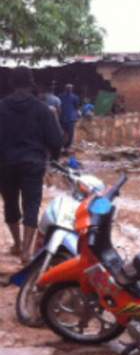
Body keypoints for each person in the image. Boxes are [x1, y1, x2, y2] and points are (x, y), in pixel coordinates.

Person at [0, 67, 63, 263]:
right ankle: (27, 252)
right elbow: (56, 140)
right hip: (33, 164)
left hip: (5, 164)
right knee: (32, 205)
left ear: (12, 83)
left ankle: (17, 244)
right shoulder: (42, 109)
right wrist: (54, 159)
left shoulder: (1, 107)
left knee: (10, 203)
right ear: (31, 83)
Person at [59, 83, 81, 154]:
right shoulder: (74, 97)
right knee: (68, 134)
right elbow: (77, 108)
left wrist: (77, 114)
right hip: (68, 118)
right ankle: (65, 147)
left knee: (65, 133)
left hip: (66, 118)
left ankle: (65, 147)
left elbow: (77, 108)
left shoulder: (61, 96)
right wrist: (77, 115)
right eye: (68, 88)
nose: (69, 89)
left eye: (70, 88)